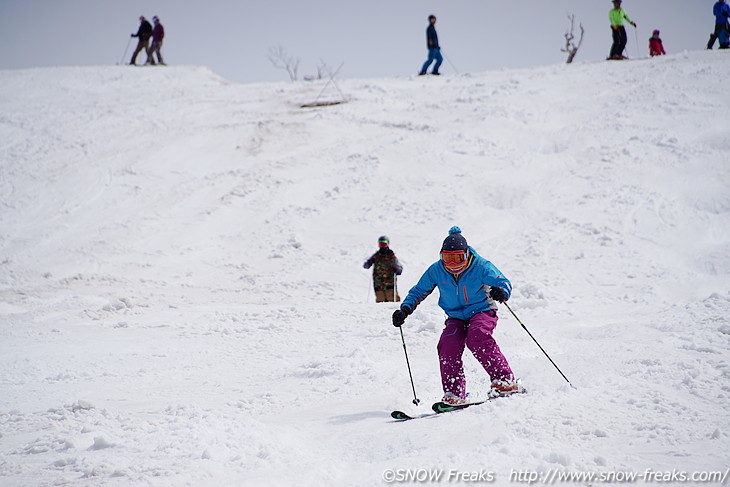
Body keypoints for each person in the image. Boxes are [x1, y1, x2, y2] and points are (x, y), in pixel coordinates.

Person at [391, 227, 522, 406]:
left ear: (466, 255)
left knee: (477, 336)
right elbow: (419, 290)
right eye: (447, 258)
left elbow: (503, 281)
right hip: (455, 316)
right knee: (447, 344)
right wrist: (405, 309)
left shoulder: (480, 266)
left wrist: (502, 291)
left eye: (457, 258)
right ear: (441, 256)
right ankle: (454, 392)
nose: (452, 263)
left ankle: (504, 380)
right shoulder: (437, 270)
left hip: (482, 310)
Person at [363, 236, 403, 303]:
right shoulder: (376, 256)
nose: (383, 246)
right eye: (381, 244)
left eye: (384, 244)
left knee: (392, 299)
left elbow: (399, 268)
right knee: (380, 300)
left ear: (388, 244)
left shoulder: (391, 256)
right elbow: (366, 266)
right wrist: (369, 262)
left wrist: (397, 269)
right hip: (378, 284)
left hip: (389, 284)